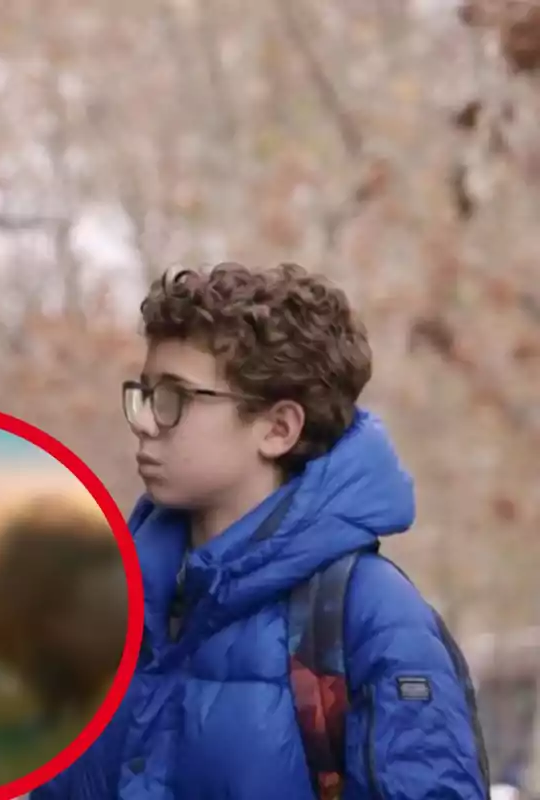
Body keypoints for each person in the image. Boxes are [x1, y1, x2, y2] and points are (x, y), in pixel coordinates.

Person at [32, 262, 490, 799]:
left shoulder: (373, 619)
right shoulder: (108, 614)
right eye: (146, 392)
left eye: (175, 397)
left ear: (277, 429)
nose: (145, 421)